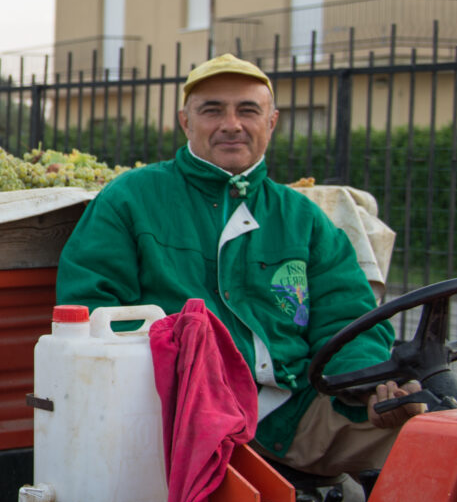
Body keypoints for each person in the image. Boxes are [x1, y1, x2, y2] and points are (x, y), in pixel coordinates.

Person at [54, 53, 423, 480]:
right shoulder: (131, 198)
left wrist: (365, 385)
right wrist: (177, 388)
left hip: (294, 410)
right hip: (182, 419)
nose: (232, 123)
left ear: (272, 122)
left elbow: (349, 316)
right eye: (212, 110)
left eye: (248, 110)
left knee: (445, 440)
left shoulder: (302, 217)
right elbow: (91, 310)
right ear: (185, 122)